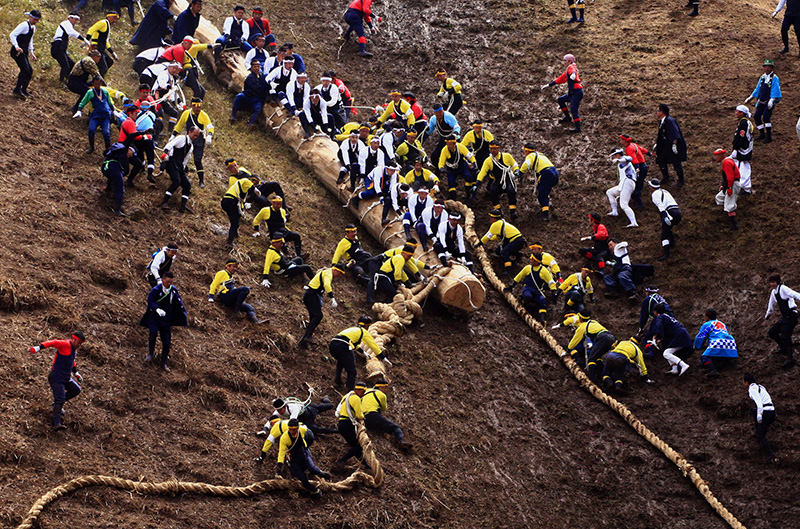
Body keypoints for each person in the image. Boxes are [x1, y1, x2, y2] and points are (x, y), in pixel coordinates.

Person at [29, 331, 86, 430]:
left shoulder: (74, 349)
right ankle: (56, 423)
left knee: (76, 390)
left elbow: (72, 361)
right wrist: (38, 348)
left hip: (66, 378)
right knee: (59, 399)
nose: (79, 345)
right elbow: (52, 342)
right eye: (79, 342)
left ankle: (56, 406)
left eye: (81, 343)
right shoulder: (64, 344)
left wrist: (76, 373)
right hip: (56, 377)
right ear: (74, 339)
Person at [139, 271, 187, 372]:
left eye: (171, 282)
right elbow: (150, 301)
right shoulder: (156, 290)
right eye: (167, 282)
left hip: (166, 320)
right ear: (162, 280)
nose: (169, 284)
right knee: (153, 333)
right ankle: (150, 353)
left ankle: (163, 362)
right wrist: (156, 309)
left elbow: (177, 302)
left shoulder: (173, 290)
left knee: (167, 342)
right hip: (155, 318)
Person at [275, 419, 328, 497]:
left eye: (294, 430)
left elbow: (309, 434)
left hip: (304, 455)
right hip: (294, 461)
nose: (292, 431)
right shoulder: (284, 438)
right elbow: (281, 453)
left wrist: (307, 445)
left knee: (313, 469)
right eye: (290, 429)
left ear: (297, 428)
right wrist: (279, 467)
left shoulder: (302, 429)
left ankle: (321, 473)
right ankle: (315, 491)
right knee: (303, 480)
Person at [299, 264, 346, 348]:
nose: (339, 276)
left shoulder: (325, 271)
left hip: (310, 295)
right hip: (312, 295)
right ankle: (308, 336)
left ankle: (303, 341)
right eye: (339, 274)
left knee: (313, 317)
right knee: (318, 316)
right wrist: (332, 297)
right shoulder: (328, 273)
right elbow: (327, 285)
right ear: (335, 270)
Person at [504, 253, 558, 324]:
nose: (530, 260)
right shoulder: (528, 268)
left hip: (537, 291)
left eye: (532, 259)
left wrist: (553, 292)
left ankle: (542, 319)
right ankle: (524, 303)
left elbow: (551, 282)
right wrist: (511, 286)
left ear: (536, 262)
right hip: (528, 288)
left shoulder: (544, 271)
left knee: (542, 301)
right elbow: (519, 277)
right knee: (528, 296)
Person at [330, 318, 383, 390]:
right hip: (343, 346)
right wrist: (383, 357)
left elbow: (353, 344)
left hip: (333, 345)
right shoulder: (363, 332)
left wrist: (364, 352)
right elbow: (373, 345)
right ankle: (350, 390)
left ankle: (338, 380)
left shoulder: (353, 330)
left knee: (341, 360)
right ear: (367, 326)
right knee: (352, 371)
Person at [173, 98, 214, 187]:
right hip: (189, 139)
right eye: (197, 107)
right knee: (182, 156)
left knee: (197, 160)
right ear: (192, 106)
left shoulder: (204, 115)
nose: (199, 109)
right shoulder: (186, 114)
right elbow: (179, 125)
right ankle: (181, 172)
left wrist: (210, 135)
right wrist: (173, 135)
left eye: (200, 106)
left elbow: (210, 126)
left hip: (199, 140)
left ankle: (201, 180)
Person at [362, 379, 412, 451]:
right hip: (372, 415)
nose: (386, 390)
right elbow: (383, 408)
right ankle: (401, 441)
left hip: (362, 418)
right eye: (385, 388)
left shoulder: (366, 391)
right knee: (395, 427)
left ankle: (386, 432)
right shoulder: (382, 395)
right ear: (381, 387)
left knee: (380, 425)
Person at [159, 127, 200, 213]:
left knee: (187, 185)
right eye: (194, 135)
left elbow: (185, 159)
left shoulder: (191, 146)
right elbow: (171, 144)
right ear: (190, 132)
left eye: (197, 136)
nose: (195, 137)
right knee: (176, 181)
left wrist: (184, 169)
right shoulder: (181, 138)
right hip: (172, 163)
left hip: (180, 166)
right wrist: (165, 152)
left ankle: (183, 206)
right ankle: (164, 201)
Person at [209, 258, 263, 322]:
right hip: (225, 296)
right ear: (227, 266)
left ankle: (256, 321)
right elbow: (214, 284)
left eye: (236, 267)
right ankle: (237, 310)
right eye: (233, 267)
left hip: (231, 298)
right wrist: (211, 296)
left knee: (250, 308)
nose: (235, 269)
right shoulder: (222, 273)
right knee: (245, 289)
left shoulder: (231, 276)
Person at [540, 54, 583, 133]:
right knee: (561, 100)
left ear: (569, 61)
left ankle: (578, 128)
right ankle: (567, 117)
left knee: (574, 110)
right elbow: (560, 79)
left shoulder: (571, 67)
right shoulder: (567, 70)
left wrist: (573, 75)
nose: (564, 62)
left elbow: (573, 71)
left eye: (565, 61)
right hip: (572, 92)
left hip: (576, 92)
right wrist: (549, 85)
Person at [764, 273, 800, 368]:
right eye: (770, 282)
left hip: (791, 316)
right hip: (784, 318)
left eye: (773, 282)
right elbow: (771, 305)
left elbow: (794, 294)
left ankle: (790, 358)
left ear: (777, 281)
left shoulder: (783, 288)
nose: (772, 284)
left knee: (785, 336)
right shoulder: (774, 292)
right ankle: (783, 347)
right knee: (772, 332)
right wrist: (767, 315)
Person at [567, 312, 616, 381]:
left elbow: (574, 341)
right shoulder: (593, 322)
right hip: (611, 337)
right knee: (597, 356)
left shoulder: (582, 327)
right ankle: (603, 377)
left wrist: (568, 350)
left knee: (591, 358)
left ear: (580, 319)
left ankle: (592, 378)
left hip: (602, 338)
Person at [220, 164, 261, 246]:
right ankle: (229, 241)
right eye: (253, 180)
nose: (253, 183)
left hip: (228, 201)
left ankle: (234, 233)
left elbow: (241, 203)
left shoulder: (242, 191)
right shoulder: (245, 181)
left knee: (236, 218)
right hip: (230, 200)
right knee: (235, 222)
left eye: (256, 182)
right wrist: (255, 190)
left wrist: (242, 211)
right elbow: (252, 187)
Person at [74, 75, 116, 154]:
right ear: (93, 83)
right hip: (96, 116)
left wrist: (114, 111)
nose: (97, 85)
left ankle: (108, 150)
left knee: (106, 133)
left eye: (99, 84)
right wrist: (79, 110)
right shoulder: (90, 92)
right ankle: (91, 147)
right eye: (96, 84)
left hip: (105, 116)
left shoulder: (105, 92)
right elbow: (83, 102)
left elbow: (110, 102)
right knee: (91, 130)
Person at [477, 141, 520, 219]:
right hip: (498, 180)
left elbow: (514, 165)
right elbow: (483, 172)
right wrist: (478, 182)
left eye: (495, 148)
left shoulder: (507, 156)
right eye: (491, 149)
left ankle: (512, 212)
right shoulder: (488, 161)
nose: (493, 150)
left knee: (511, 191)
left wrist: (516, 171)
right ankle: (498, 211)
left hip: (507, 179)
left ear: (498, 148)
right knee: (493, 192)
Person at [647, 303, 692, 375]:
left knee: (666, 353)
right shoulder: (667, 316)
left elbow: (658, 326)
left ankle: (683, 365)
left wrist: (654, 337)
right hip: (682, 334)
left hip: (679, 336)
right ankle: (674, 369)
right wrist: (661, 340)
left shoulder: (659, 317)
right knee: (668, 351)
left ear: (655, 311)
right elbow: (669, 330)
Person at [744, 59, 781, 144]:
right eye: (766, 67)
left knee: (766, 118)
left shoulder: (775, 78)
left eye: (769, 67)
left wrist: (772, 100)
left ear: (772, 68)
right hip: (761, 101)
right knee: (756, 116)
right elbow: (758, 88)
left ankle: (769, 136)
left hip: (768, 102)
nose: (767, 69)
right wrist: (751, 97)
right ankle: (762, 133)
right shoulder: (763, 77)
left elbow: (775, 89)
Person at [519, 143, 559, 221]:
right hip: (555, 173)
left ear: (527, 151)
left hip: (547, 173)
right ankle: (547, 205)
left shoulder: (530, 156)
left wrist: (520, 172)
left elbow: (526, 164)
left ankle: (546, 215)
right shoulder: (540, 155)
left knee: (542, 195)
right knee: (543, 191)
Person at [693, 309, 738, 378]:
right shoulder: (722, 324)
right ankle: (722, 362)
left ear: (707, 317)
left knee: (704, 358)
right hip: (730, 343)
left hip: (717, 342)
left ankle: (714, 371)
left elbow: (701, 336)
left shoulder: (707, 324)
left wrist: (697, 346)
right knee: (718, 355)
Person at [478, 209, 525, 273]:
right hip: (517, 241)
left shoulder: (495, 225)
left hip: (516, 241)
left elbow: (487, 235)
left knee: (504, 252)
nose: (490, 219)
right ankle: (517, 254)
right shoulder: (501, 222)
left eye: (491, 218)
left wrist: (480, 243)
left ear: (494, 218)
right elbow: (496, 236)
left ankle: (508, 268)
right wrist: (489, 239)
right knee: (498, 251)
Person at [743, 374, 777, 462]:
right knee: (754, 411)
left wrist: (759, 414)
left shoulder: (752, 389)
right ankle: (759, 433)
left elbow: (759, 403)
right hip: (771, 411)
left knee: (759, 435)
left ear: (747, 382)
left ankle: (770, 454)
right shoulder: (761, 387)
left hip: (766, 412)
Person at [334, 382, 368, 470]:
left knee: (355, 446)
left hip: (341, 423)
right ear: (357, 390)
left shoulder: (346, 396)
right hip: (348, 424)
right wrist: (363, 418)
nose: (363, 394)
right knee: (358, 446)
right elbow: (359, 415)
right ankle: (341, 460)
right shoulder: (356, 398)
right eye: (362, 391)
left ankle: (366, 465)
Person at [9, 9, 41, 99]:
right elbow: (12, 35)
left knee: (29, 71)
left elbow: (30, 40)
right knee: (25, 69)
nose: (35, 21)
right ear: (30, 17)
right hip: (17, 51)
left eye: (37, 20)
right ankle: (17, 89)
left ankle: (24, 89)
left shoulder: (33, 28)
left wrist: (32, 52)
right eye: (34, 19)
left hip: (24, 51)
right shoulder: (24, 25)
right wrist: (16, 46)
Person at [647, 179, 681, 260]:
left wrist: (665, 216)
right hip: (678, 212)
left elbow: (660, 206)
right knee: (668, 228)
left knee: (664, 236)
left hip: (670, 213)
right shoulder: (665, 191)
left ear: (652, 187)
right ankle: (672, 243)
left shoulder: (655, 194)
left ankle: (667, 254)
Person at [654, 104, 687, 186]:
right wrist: (658, 144)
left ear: (662, 112)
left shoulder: (670, 121)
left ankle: (681, 180)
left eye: (658, 111)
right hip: (666, 146)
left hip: (673, 146)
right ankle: (666, 177)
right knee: (661, 159)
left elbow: (674, 133)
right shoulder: (662, 122)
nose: (656, 113)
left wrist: (674, 144)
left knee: (676, 163)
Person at [51, 13, 89, 84]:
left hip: (61, 48)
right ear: (70, 18)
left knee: (72, 65)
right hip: (57, 47)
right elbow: (72, 33)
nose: (75, 22)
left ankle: (71, 81)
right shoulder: (66, 23)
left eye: (77, 20)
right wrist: (84, 39)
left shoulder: (68, 26)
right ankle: (62, 82)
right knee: (65, 65)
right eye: (75, 19)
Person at [272, 396, 338, 436]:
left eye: (281, 410)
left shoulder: (293, 407)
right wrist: (265, 429)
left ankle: (325, 400)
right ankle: (335, 430)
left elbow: (293, 420)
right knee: (316, 430)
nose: (280, 412)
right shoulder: (277, 413)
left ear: (285, 406)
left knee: (330, 406)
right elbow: (271, 419)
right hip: (306, 421)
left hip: (310, 410)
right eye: (278, 410)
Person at [101, 141, 136, 215]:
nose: (131, 156)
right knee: (120, 189)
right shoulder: (123, 150)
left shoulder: (115, 150)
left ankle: (108, 188)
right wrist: (142, 134)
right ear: (129, 149)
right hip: (113, 167)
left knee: (114, 177)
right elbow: (130, 137)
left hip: (104, 166)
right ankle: (117, 210)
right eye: (132, 153)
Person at [437, 135, 477, 201]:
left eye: (450, 144)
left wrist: (474, 162)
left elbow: (469, 155)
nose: (449, 146)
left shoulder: (460, 147)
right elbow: (441, 161)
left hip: (462, 166)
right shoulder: (444, 150)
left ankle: (468, 196)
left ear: (454, 143)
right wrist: (441, 168)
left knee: (468, 176)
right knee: (451, 182)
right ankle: (454, 199)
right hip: (451, 169)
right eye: (447, 144)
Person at [424, 104, 461, 175]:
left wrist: (455, 133)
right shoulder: (433, 119)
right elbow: (430, 131)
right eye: (437, 113)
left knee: (455, 156)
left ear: (442, 111)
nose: (439, 114)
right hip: (443, 139)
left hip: (452, 139)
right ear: (434, 113)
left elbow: (457, 126)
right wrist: (427, 129)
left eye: (440, 112)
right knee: (434, 156)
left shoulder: (449, 116)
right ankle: (438, 170)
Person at [606, 149, 638, 228]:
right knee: (609, 192)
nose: (613, 158)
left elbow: (629, 158)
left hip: (628, 182)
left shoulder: (624, 160)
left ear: (617, 155)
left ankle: (634, 222)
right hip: (624, 183)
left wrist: (619, 160)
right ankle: (614, 211)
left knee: (624, 204)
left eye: (613, 156)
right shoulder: (620, 163)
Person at [619, 134, 650, 209]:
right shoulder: (634, 145)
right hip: (643, 166)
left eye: (621, 140)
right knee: (639, 183)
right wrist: (649, 153)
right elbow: (642, 149)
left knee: (637, 185)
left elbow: (634, 159)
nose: (620, 141)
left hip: (640, 167)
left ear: (625, 141)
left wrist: (637, 168)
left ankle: (639, 202)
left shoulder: (629, 149)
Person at [232, 59, 268, 125]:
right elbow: (258, 89)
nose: (257, 68)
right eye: (255, 66)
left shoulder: (262, 76)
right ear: (251, 67)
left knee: (258, 109)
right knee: (239, 96)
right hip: (249, 96)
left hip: (258, 99)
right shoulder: (250, 77)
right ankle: (233, 116)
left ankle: (250, 124)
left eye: (258, 66)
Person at [713, 148, 741, 230]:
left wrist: (729, 188)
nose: (715, 158)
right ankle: (728, 212)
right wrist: (724, 185)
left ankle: (734, 225)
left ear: (721, 155)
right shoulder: (725, 162)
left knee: (729, 205)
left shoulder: (726, 162)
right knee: (719, 198)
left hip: (732, 185)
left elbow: (730, 177)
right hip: (730, 184)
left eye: (716, 156)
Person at [87, 12, 120, 76]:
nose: (115, 21)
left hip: (101, 49)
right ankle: (96, 82)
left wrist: (112, 52)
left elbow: (106, 41)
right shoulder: (103, 23)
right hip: (96, 49)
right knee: (103, 68)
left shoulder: (107, 25)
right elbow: (92, 29)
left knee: (109, 62)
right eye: (114, 18)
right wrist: (86, 39)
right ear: (108, 17)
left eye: (116, 19)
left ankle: (97, 77)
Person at [730, 105, 754, 193]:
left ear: (742, 113)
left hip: (743, 149)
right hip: (745, 148)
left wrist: (736, 148)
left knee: (743, 167)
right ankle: (744, 186)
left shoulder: (744, 123)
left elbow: (741, 136)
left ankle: (744, 186)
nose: (736, 113)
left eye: (738, 111)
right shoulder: (745, 122)